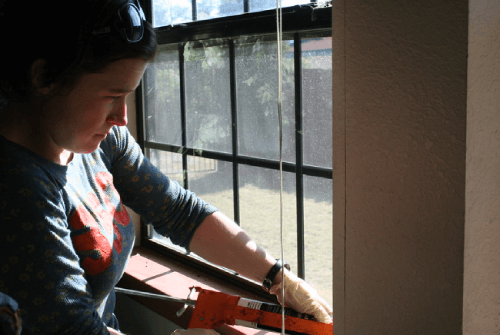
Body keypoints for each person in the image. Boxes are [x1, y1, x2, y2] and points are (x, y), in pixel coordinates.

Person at [0, 1, 333, 334]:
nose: (122, 118)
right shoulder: (16, 187)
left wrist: (277, 276)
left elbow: (178, 211)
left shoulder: (99, 141)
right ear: (45, 77)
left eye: (128, 96)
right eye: (111, 95)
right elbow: (72, 328)